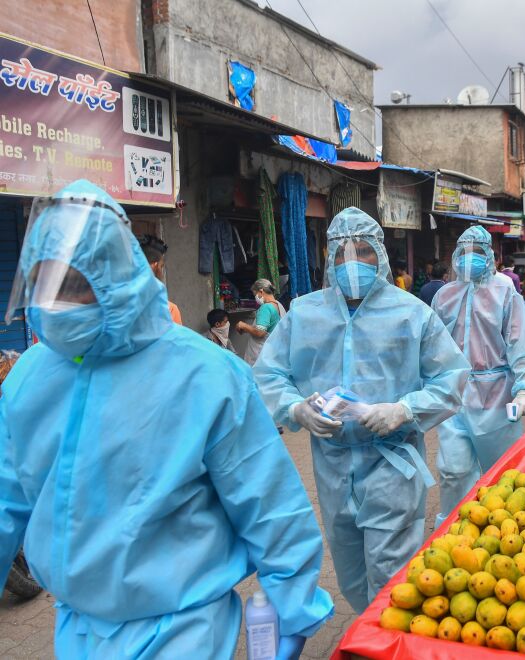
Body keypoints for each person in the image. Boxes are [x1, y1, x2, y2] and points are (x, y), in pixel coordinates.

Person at [0, 180, 332, 658]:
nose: (55, 306)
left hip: (181, 630)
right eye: (44, 284)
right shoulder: (31, 375)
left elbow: (268, 503)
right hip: (75, 629)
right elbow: (8, 498)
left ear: (114, 276)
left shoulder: (207, 375)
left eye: (71, 286)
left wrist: (294, 604)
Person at [253, 207, 469, 613]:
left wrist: (404, 410)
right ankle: (367, 633)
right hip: (332, 467)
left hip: (391, 463)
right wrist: (296, 408)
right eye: (342, 254)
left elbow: (453, 378)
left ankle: (383, 645)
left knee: (390, 578)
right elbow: (267, 375)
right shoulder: (304, 313)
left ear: (382, 256)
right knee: (351, 572)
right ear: (330, 259)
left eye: (364, 252)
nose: (353, 263)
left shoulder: (412, 313)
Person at [430, 226, 525, 525]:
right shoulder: (444, 295)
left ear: (490, 255)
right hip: (455, 393)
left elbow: (517, 342)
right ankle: (453, 527)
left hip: (496, 394)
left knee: (502, 471)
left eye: (477, 253)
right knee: (454, 469)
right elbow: (431, 347)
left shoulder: (506, 291)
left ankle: (503, 527)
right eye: (464, 252)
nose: (470, 259)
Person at [236, 279, 286, 366]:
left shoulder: (266, 308)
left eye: (255, 295)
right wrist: (248, 329)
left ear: (261, 291)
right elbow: (269, 327)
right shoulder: (278, 305)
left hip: (260, 354)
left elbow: (260, 332)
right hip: (273, 351)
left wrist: (243, 325)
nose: (255, 298)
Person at [139, 234, 182, 324]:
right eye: (161, 266)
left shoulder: (110, 303)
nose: (161, 272)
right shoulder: (169, 310)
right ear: (154, 265)